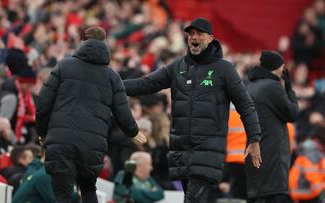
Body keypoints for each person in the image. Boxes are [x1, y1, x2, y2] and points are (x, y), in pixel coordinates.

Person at [123, 17, 262, 203]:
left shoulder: (224, 69)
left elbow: (245, 104)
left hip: (208, 150)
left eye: (198, 33)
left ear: (210, 38)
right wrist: (112, 83)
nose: (193, 37)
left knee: (193, 200)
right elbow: (145, 84)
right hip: (181, 150)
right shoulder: (177, 67)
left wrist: (254, 138)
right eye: (190, 33)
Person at [35, 26, 147, 203]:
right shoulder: (112, 76)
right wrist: (132, 131)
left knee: (63, 195)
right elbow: (122, 110)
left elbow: (43, 102)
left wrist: (42, 132)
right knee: (88, 190)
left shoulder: (64, 66)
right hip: (92, 145)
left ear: (82, 42)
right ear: (105, 44)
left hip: (61, 139)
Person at [245, 51, 299, 203]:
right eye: (282, 67)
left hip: (255, 152)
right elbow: (292, 113)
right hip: (272, 156)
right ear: (276, 68)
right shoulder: (273, 87)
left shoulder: (250, 86)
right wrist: (289, 89)